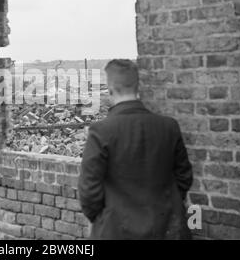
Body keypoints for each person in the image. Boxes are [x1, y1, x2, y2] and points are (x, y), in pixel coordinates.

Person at [78, 59, 193, 240]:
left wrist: (104, 219)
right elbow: (184, 177)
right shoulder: (169, 127)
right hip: (166, 229)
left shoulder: (101, 131)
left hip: (116, 230)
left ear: (110, 89)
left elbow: (88, 190)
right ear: (138, 87)